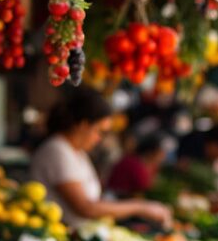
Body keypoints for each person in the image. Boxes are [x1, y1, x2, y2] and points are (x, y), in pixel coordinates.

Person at [30, 88, 171, 228]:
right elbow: (85, 207)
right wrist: (140, 208)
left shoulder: (78, 152)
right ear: (83, 125)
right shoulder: (57, 150)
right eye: (99, 131)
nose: (100, 139)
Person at [107, 134, 166, 199]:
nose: (162, 157)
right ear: (150, 153)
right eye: (160, 154)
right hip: (115, 197)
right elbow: (145, 185)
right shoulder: (134, 165)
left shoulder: (139, 162)